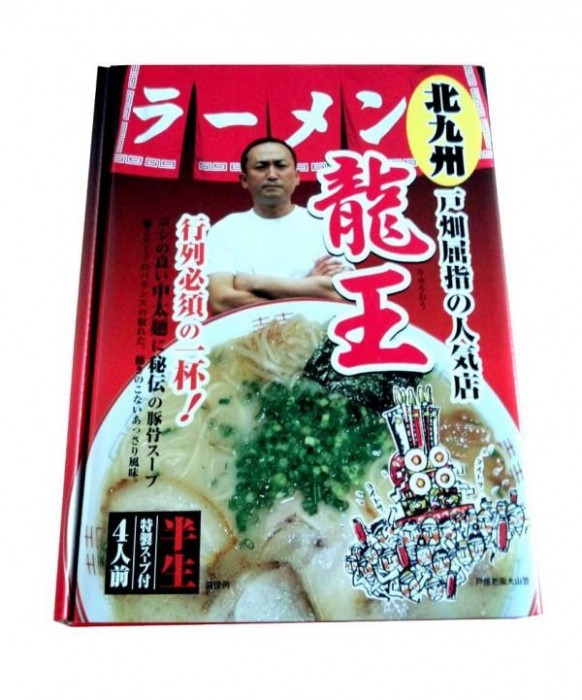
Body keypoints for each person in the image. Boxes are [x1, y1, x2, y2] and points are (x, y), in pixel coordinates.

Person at [206, 137, 347, 315]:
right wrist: (308, 286)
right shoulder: (225, 231)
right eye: (261, 167)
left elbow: (339, 292)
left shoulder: (326, 225)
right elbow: (221, 301)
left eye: (281, 166)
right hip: (249, 332)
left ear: (297, 177)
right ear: (244, 179)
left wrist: (253, 283)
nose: (272, 175)